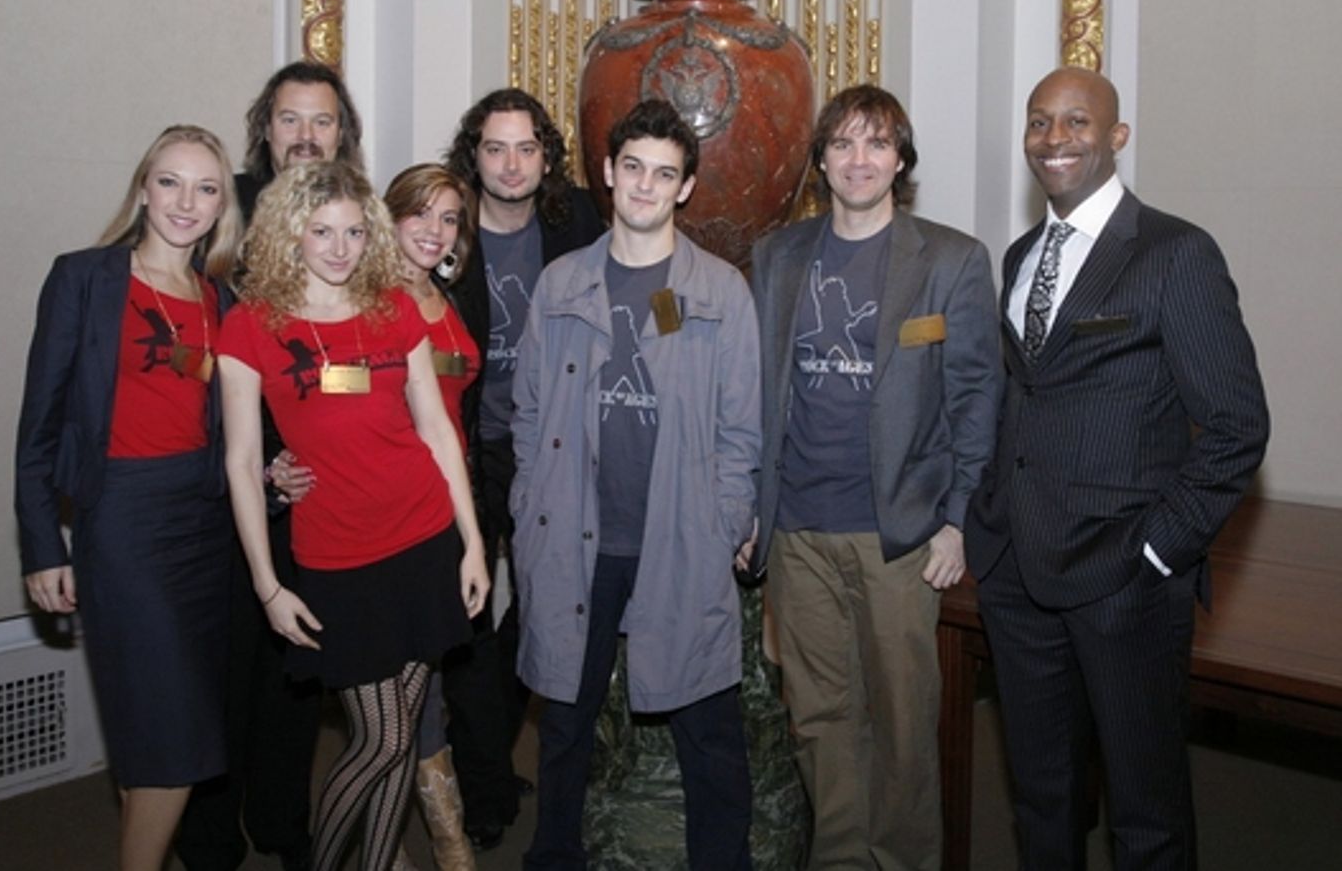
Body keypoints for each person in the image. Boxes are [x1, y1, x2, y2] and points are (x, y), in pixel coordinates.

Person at [964, 67, 1269, 869]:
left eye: (1077, 121)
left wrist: (1159, 551)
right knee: (1042, 798)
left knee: (1146, 812)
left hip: (1124, 579)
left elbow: (1238, 425)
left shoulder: (1175, 253)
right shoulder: (1022, 255)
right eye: (1039, 121)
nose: (1054, 138)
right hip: (1018, 574)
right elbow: (1025, 398)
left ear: (1117, 136)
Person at [743, 85, 1001, 869]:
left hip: (900, 536)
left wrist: (958, 519)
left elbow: (976, 396)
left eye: (877, 143)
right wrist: (750, 504)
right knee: (819, 721)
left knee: (902, 723)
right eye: (844, 143)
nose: (860, 159)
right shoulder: (777, 256)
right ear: (821, 161)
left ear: (900, 161)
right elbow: (754, 388)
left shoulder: (951, 261)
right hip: (796, 532)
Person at [217, 161, 490, 871]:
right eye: (322, 232)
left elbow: (437, 431)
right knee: (383, 738)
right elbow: (242, 463)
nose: (340, 248)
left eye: (354, 232)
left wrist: (471, 543)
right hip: (339, 557)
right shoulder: (249, 326)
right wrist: (268, 586)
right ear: (290, 234)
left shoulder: (394, 308)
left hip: (425, 537)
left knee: (399, 739)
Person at [511, 99, 761, 870]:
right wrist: (528, 500)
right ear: (608, 173)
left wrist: (723, 522)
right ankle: (554, 857)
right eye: (633, 168)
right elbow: (527, 410)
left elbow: (740, 431)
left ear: (685, 187)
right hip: (576, 540)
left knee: (709, 730)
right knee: (564, 724)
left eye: (664, 173)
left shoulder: (719, 291)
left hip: (679, 540)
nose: (646, 185)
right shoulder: (561, 283)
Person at [15, 125, 244, 871]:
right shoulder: (84, 278)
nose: (186, 202)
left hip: (203, 527)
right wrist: (42, 544)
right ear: (143, 188)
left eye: (206, 188)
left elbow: (226, 423)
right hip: (122, 518)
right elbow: (39, 424)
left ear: (222, 205)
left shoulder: (219, 298)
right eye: (170, 181)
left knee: (153, 731)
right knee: (175, 740)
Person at [179, 58, 365, 871]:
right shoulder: (223, 212)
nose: (306, 135)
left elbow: (359, 349)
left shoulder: (350, 213)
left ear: (342, 132)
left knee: (297, 671)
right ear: (265, 128)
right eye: (291, 119)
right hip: (226, 479)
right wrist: (256, 461)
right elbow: (193, 346)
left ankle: (284, 822)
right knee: (222, 669)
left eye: (322, 120)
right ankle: (210, 836)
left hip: (316, 485)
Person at [440, 87, 603, 848]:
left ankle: (487, 753)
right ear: (473, 156)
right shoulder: (445, 230)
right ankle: (484, 787)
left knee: (542, 608)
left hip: (552, 447)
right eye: (495, 148)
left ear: (547, 158)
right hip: (467, 451)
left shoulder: (578, 223)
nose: (511, 165)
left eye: (526, 148)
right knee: (467, 622)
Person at [383, 163, 482, 870]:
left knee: (426, 685)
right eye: (420, 213)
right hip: (387, 511)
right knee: (389, 697)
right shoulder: (365, 299)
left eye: (449, 218)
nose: (435, 229)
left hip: (446, 505)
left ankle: (443, 840)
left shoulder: (444, 297)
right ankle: (404, 847)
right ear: (389, 218)